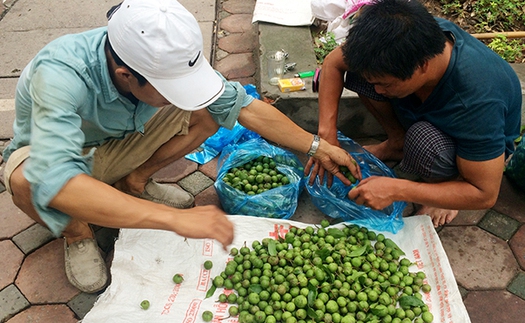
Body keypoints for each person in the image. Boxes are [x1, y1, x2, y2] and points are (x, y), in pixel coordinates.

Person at [2, 0, 361, 294]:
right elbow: (52, 176)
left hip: (121, 144)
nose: (178, 95)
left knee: (211, 109)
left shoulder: (163, 52)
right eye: (167, 88)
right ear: (127, 75)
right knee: (25, 180)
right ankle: (77, 234)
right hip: (70, 160)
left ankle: (135, 182)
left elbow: (242, 106)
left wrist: (316, 146)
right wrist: (175, 220)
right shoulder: (60, 76)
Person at [309, 0, 522, 228]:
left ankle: (451, 184)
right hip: (426, 107)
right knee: (362, 77)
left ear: (422, 66)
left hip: (471, 153)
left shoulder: (477, 99)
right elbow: (332, 62)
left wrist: (397, 190)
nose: (379, 91)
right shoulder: (399, 40)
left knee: (424, 144)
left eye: (386, 84)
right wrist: (326, 137)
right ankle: (396, 143)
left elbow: (485, 194)